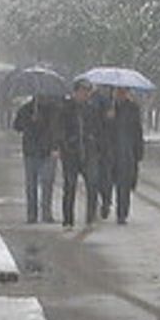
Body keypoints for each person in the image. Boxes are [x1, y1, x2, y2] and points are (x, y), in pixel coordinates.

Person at [12, 92, 61, 224]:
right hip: (31, 151)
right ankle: (32, 215)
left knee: (47, 183)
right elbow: (17, 126)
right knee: (31, 185)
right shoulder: (26, 109)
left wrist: (56, 147)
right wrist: (29, 120)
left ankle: (46, 213)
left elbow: (58, 129)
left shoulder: (54, 110)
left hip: (48, 151)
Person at [99, 86, 145, 223]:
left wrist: (138, 151)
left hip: (126, 152)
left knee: (124, 185)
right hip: (108, 151)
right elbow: (99, 127)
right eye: (118, 91)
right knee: (105, 182)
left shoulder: (133, 108)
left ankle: (122, 214)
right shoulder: (106, 106)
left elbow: (137, 131)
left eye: (124, 92)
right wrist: (107, 118)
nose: (121, 94)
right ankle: (106, 203)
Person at [57, 79, 98, 226]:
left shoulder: (91, 109)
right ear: (75, 92)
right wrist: (65, 144)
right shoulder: (66, 108)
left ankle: (91, 217)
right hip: (71, 153)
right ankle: (68, 219)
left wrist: (93, 139)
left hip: (89, 152)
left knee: (92, 185)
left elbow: (98, 128)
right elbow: (60, 128)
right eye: (82, 91)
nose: (85, 95)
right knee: (70, 186)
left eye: (87, 92)